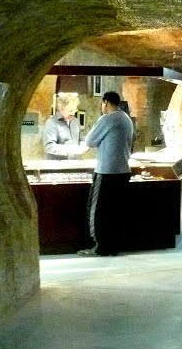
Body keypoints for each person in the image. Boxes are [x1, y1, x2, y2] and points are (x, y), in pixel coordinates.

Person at [78, 90, 134, 257]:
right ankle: (112, 246)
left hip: (106, 171)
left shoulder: (107, 119)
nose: (102, 107)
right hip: (123, 171)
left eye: (102, 104)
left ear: (106, 103)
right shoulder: (126, 119)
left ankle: (99, 247)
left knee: (98, 211)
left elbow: (89, 141)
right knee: (115, 212)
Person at [42, 93, 85, 160]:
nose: (73, 113)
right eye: (70, 110)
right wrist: (70, 149)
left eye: (75, 110)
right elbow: (49, 147)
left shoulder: (76, 121)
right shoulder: (51, 123)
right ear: (61, 108)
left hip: (75, 165)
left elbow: (81, 139)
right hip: (57, 167)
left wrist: (83, 146)